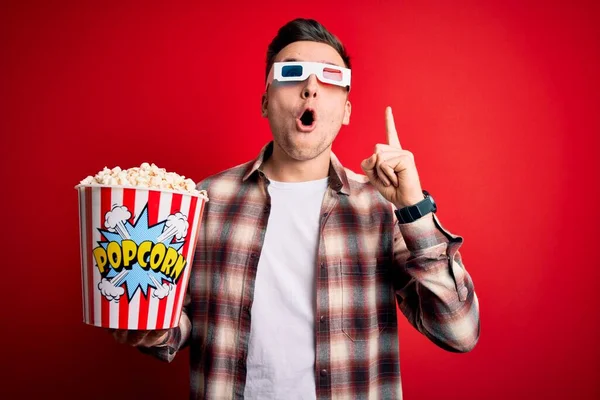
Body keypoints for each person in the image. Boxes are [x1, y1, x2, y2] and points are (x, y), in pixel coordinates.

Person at [113, 18, 480, 399]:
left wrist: (413, 207)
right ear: (265, 101)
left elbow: (459, 332)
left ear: (347, 110)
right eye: (292, 75)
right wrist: (149, 328)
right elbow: (180, 324)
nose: (310, 89)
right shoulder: (207, 199)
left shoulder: (379, 209)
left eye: (329, 78)